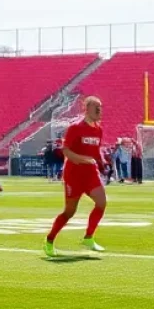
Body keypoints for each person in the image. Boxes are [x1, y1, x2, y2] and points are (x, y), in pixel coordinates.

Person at [43, 96, 107, 257]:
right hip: (74, 175)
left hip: (91, 173)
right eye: (95, 106)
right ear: (86, 108)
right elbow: (66, 151)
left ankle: (88, 237)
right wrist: (84, 160)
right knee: (69, 212)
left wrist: (102, 161)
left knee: (101, 202)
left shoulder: (98, 129)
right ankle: (50, 240)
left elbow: (96, 150)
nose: (99, 110)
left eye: (100, 106)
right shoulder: (75, 128)